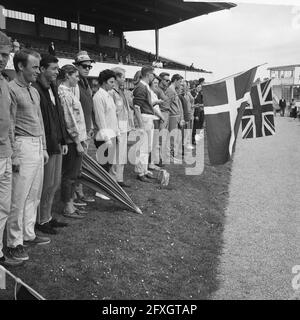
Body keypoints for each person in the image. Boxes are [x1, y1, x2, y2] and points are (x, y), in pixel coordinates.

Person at [6, 49, 50, 262]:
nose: (37, 71)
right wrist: (14, 154)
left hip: (36, 145)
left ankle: (28, 233)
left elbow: (39, 121)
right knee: (18, 197)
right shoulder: (11, 89)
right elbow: (10, 124)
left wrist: (42, 147)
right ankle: (14, 242)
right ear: (21, 66)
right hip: (22, 147)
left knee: (34, 194)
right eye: (34, 66)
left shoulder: (33, 90)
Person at [33, 54, 69, 235]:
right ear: (42, 69)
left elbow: (58, 116)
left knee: (54, 183)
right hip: (47, 143)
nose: (57, 71)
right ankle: (40, 220)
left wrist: (63, 139)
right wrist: (45, 145)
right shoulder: (36, 89)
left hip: (57, 142)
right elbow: (41, 122)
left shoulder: (52, 87)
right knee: (45, 184)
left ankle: (46, 217)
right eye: (53, 68)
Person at [0, 31, 23, 266]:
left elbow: (10, 121)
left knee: (4, 206)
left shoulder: (4, 84)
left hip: (6, 154)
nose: (1, 58)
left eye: (5, 54)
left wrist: (13, 153)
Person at [58, 65, 87, 219]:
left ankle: (71, 202)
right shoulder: (63, 93)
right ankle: (67, 206)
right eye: (75, 76)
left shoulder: (69, 92)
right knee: (69, 174)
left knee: (74, 173)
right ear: (68, 76)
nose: (78, 78)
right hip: (71, 140)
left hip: (76, 139)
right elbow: (69, 120)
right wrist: (77, 141)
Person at [72, 51, 95, 204]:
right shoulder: (74, 84)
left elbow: (89, 107)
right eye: (84, 66)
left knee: (82, 163)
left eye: (89, 66)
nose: (87, 68)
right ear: (77, 66)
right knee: (76, 163)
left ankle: (78, 191)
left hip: (86, 128)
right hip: (78, 130)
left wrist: (91, 125)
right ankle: (74, 194)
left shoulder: (86, 83)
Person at [133, 66, 157, 182]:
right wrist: (141, 125)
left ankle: (144, 169)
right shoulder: (141, 87)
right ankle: (140, 172)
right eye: (153, 74)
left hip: (148, 117)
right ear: (148, 75)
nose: (154, 77)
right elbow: (136, 107)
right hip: (144, 118)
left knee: (147, 147)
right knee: (141, 147)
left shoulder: (145, 86)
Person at [111, 67, 134, 187]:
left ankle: (119, 179)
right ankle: (113, 180)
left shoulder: (122, 92)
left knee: (122, 154)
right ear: (117, 78)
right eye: (123, 77)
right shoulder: (112, 92)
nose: (125, 79)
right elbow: (112, 113)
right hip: (117, 128)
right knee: (115, 155)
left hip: (125, 126)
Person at [93, 69, 119, 173]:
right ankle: (99, 189)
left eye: (114, 82)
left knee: (108, 165)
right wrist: (106, 139)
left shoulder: (108, 95)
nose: (113, 85)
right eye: (111, 82)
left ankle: (104, 188)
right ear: (104, 82)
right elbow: (100, 119)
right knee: (103, 166)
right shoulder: (98, 97)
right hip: (104, 137)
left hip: (111, 134)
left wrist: (116, 134)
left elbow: (112, 117)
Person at [165, 74, 185, 162]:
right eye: (180, 82)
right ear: (175, 80)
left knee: (175, 137)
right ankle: (170, 157)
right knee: (172, 137)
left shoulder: (174, 90)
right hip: (172, 116)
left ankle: (172, 156)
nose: (180, 84)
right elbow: (167, 104)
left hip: (176, 116)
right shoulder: (170, 90)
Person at [192, 78, 205, 145]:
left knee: (200, 126)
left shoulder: (201, 94)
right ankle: (193, 139)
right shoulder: (193, 94)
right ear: (196, 87)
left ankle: (197, 139)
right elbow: (195, 104)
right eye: (198, 87)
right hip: (196, 113)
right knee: (195, 127)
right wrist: (196, 115)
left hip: (201, 112)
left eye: (200, 87)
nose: (200, 88)